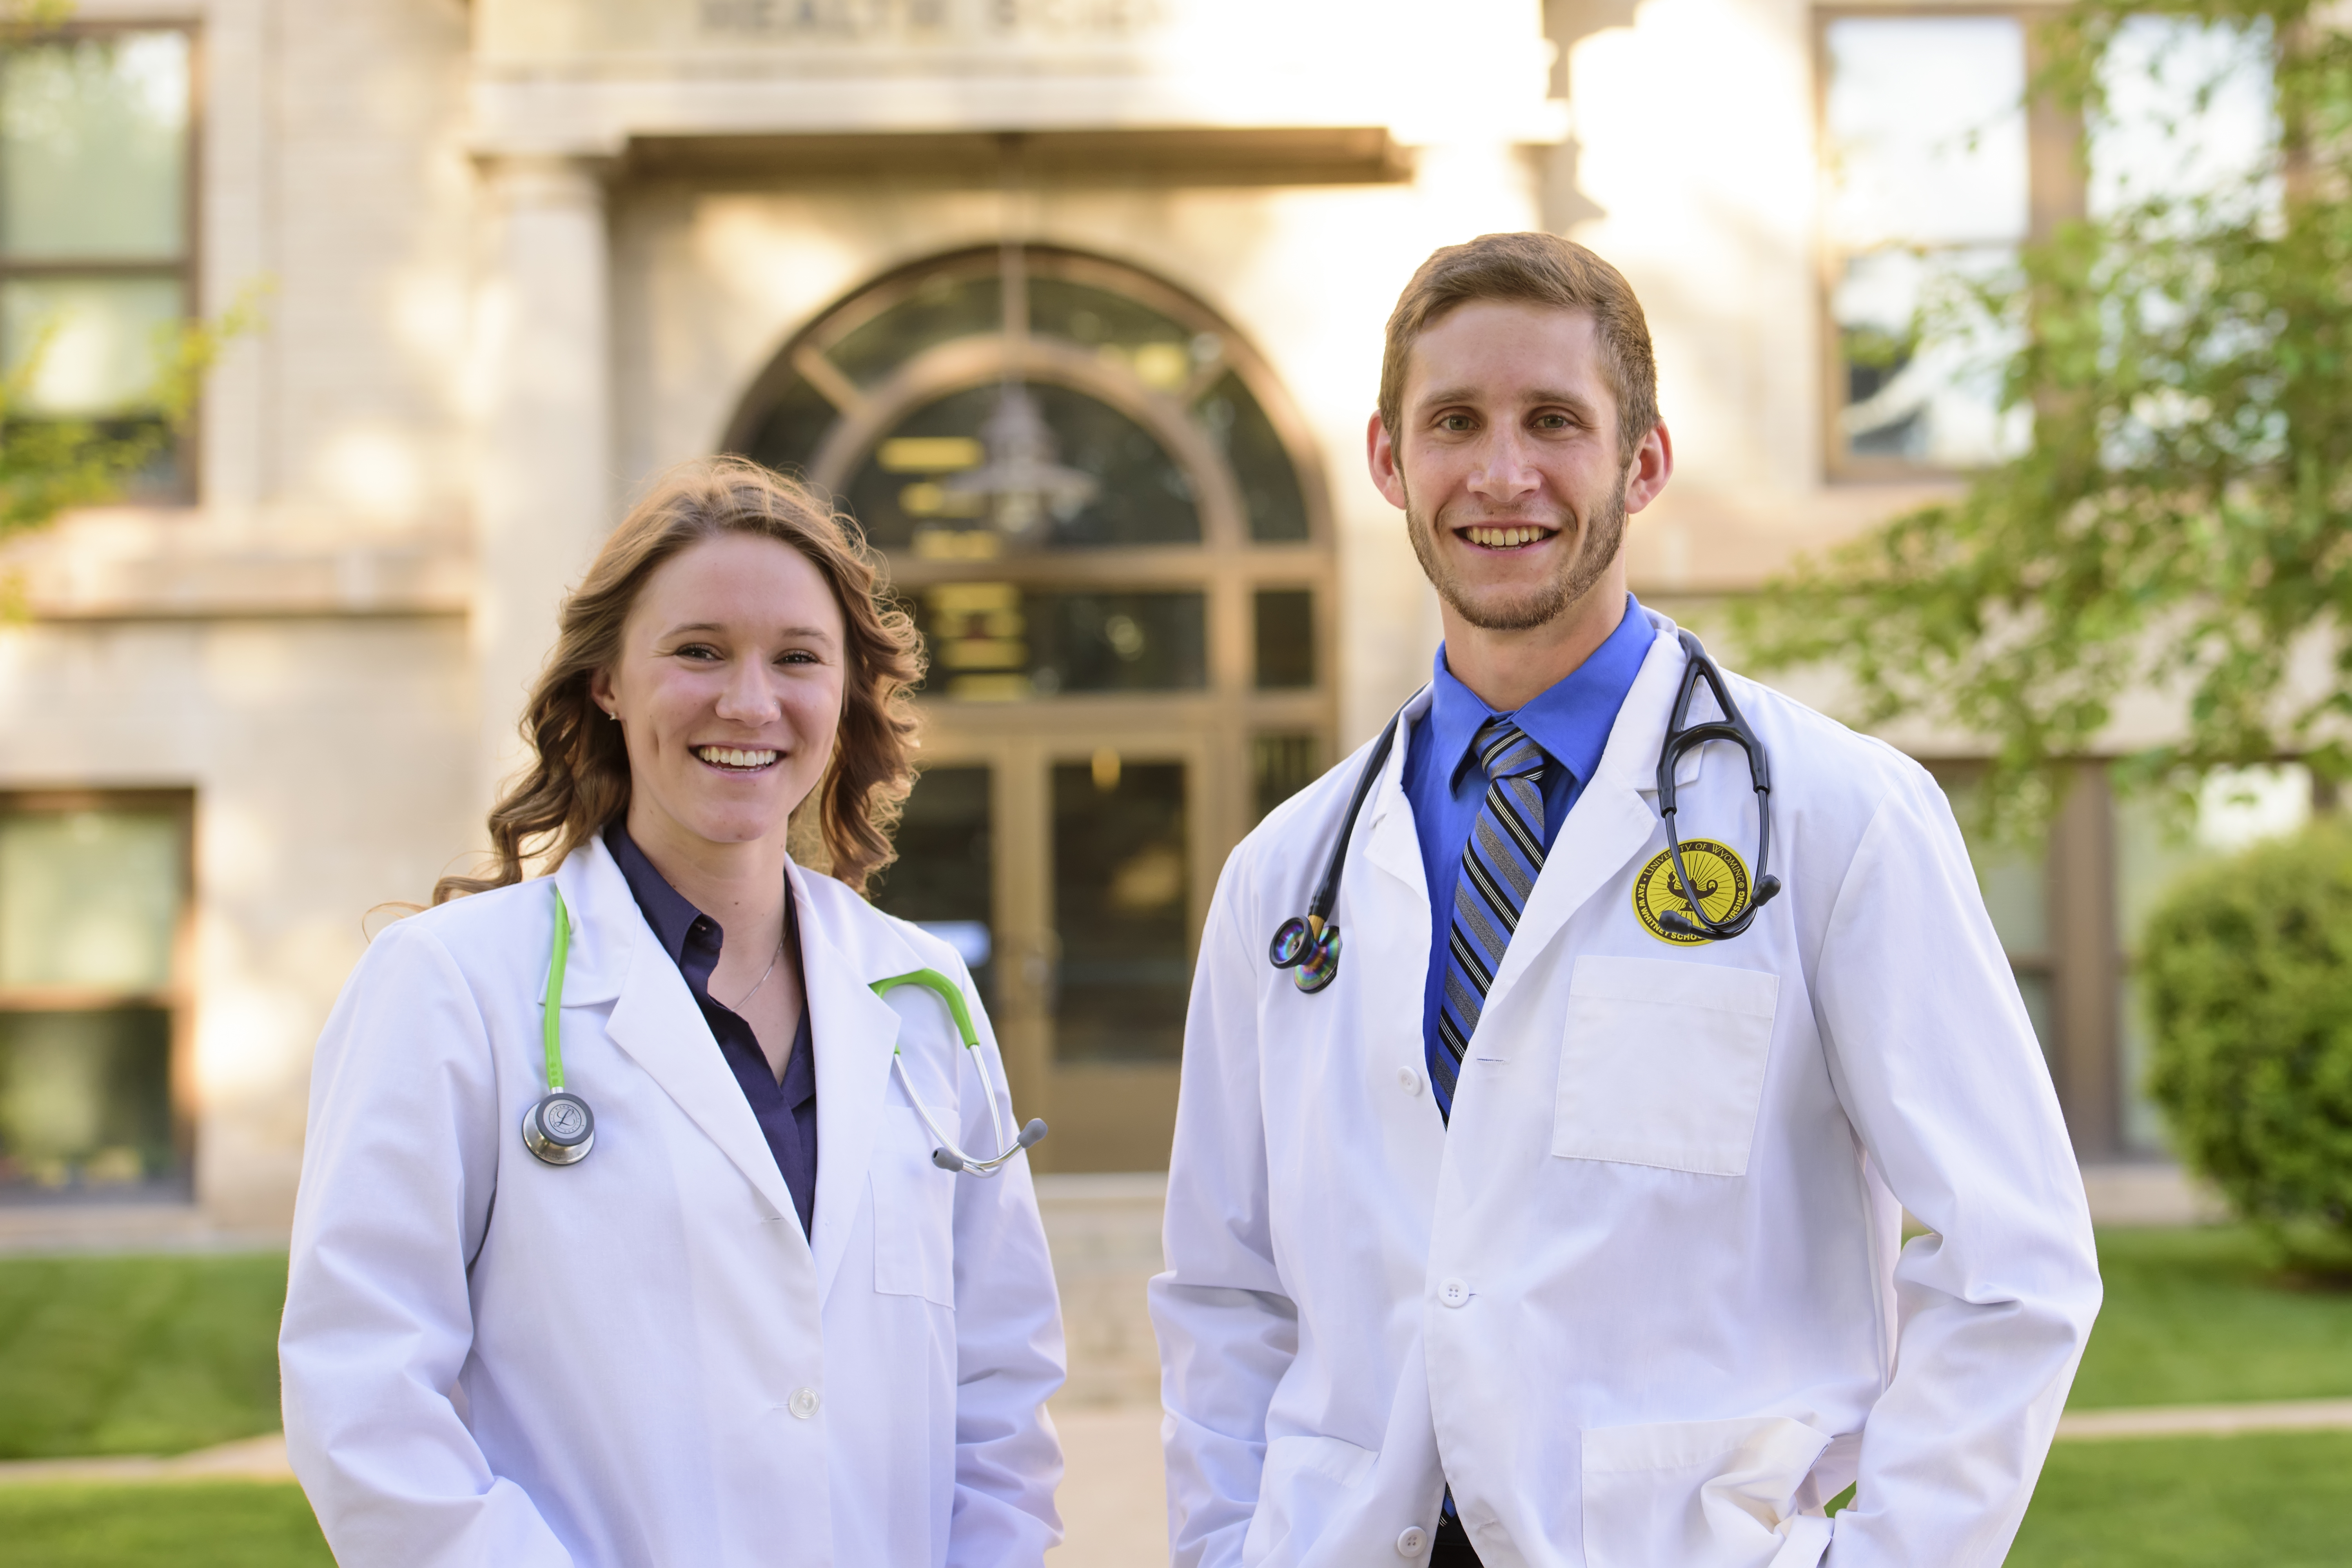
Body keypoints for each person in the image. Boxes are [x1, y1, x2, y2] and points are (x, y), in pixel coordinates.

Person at [1149, 233, 2102, 1568]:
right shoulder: (1283, 876)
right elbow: (1224, 1289)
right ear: (1387, 460)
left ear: (1643, 461)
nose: (1501, 473)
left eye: (1555, 421)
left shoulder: (1836, 819)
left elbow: (2016, 1261)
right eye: (1453, 423)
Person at [280, 457, 1064, 1568]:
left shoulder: (921, 993)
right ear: (607, 680)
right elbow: (366, 1394)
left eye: (798, 659)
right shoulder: (451, 987)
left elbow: (1001, 1386)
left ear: (845, 693)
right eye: (698, 651)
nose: (750, 703)